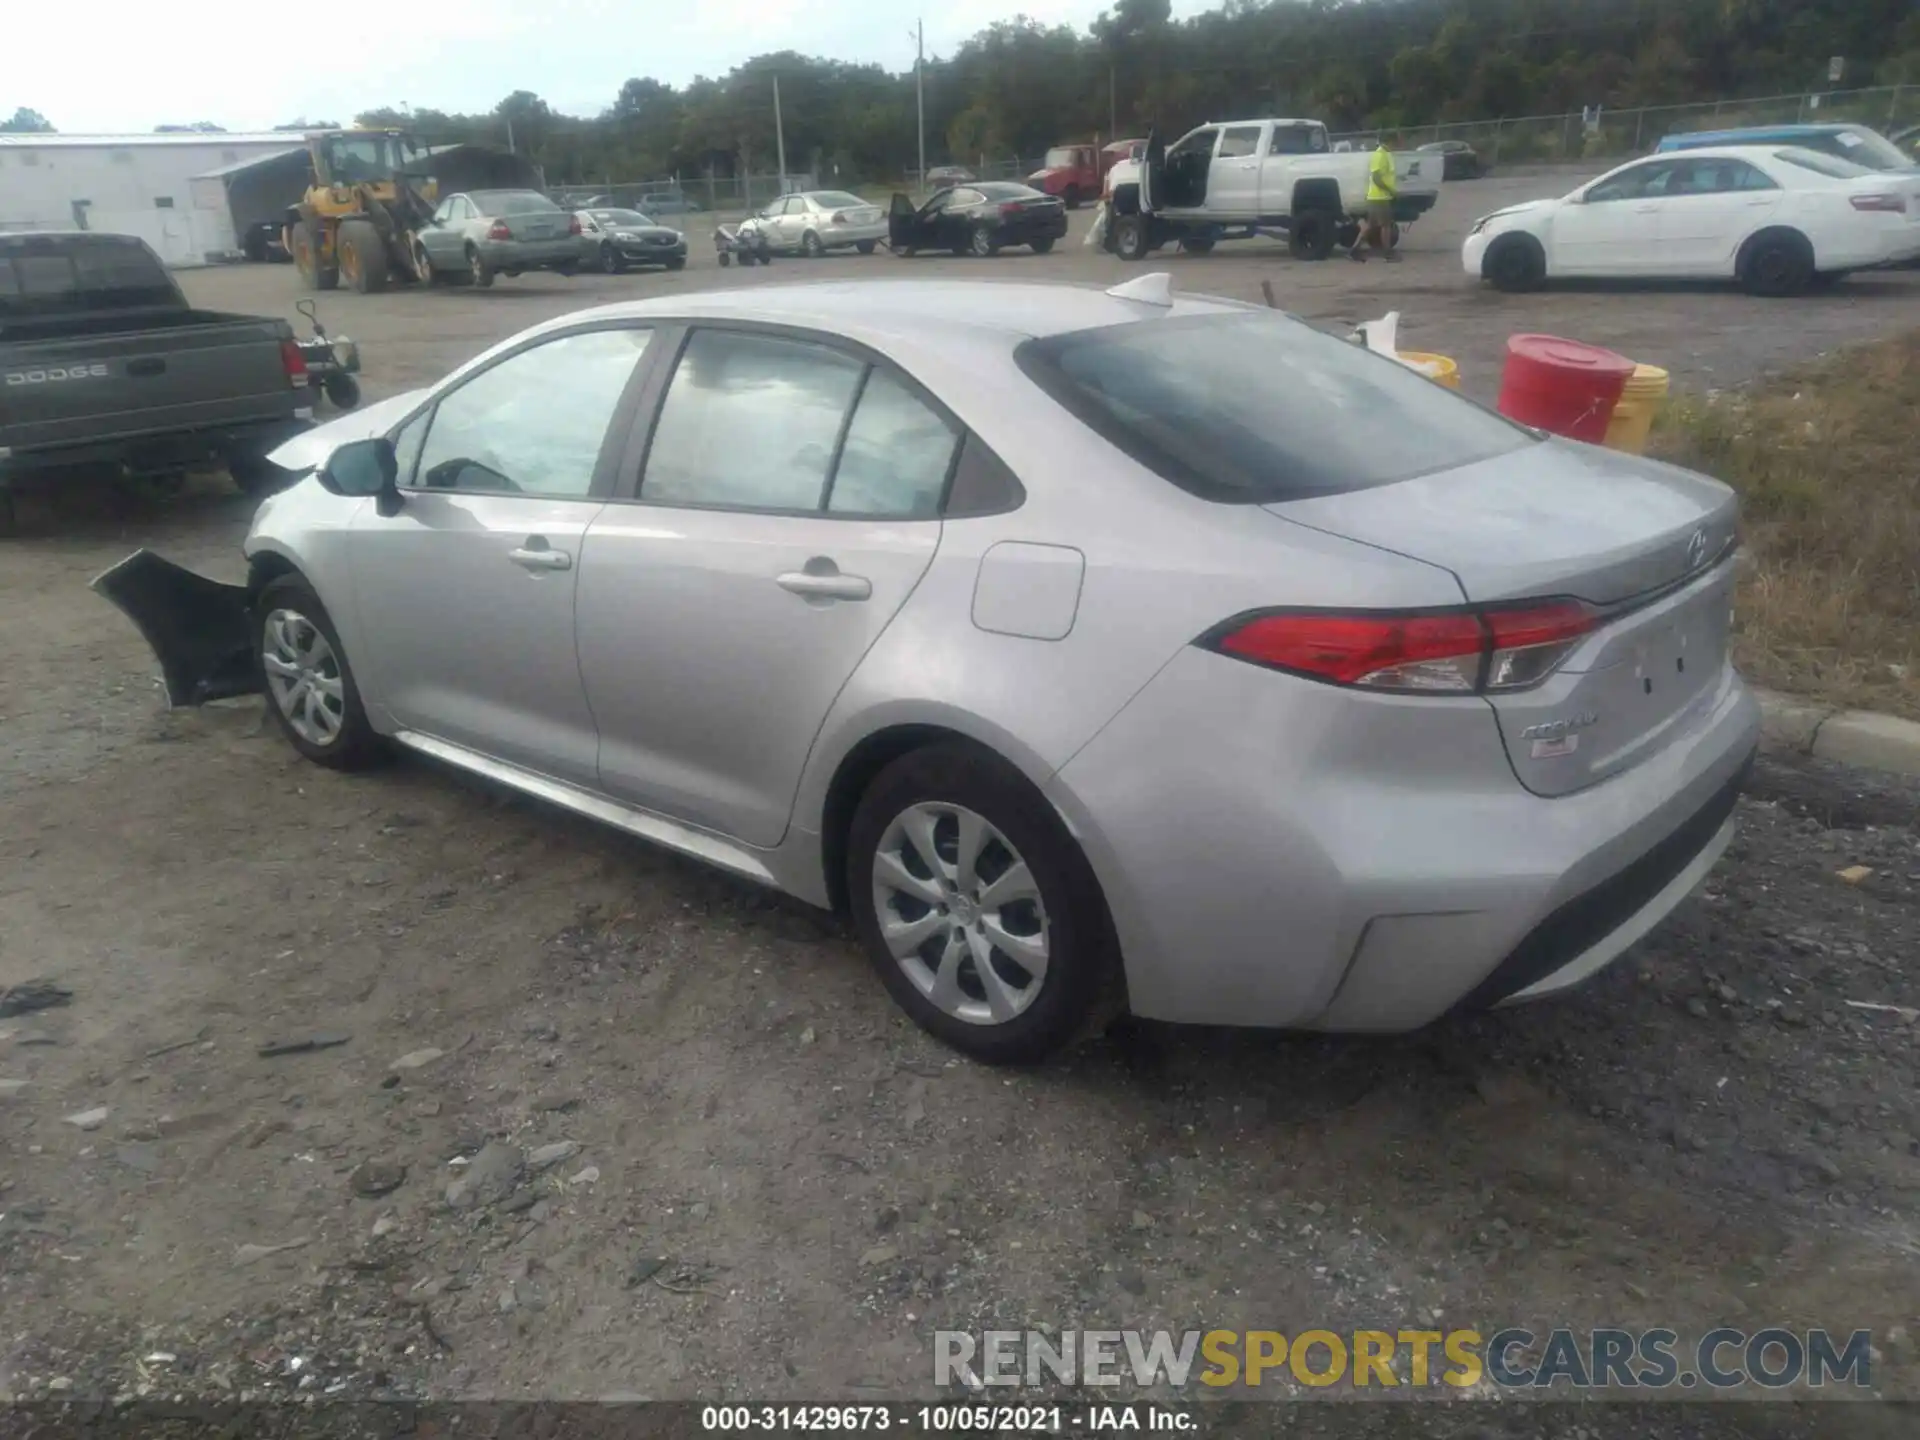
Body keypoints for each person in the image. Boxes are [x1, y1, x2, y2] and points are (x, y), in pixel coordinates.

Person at [1350, 133, 1402, 263]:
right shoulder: (1380, 156)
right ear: (1390, 142)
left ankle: (1354, 250)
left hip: (1376, 196)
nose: (1396, 147)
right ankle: (1387, 253)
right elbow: (1376, 178)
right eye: (1395, 143)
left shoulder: (1384, 155)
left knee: (1371, 226)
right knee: (1385, 225)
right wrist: (1391, 190)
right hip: (1380, 197)